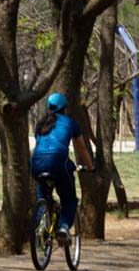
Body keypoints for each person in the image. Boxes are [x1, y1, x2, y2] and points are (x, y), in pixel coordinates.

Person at [31, 93, 95, 244]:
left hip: (36, 164)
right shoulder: (70, 123)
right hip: (58, 164)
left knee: (42, 197)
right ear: (65, 108)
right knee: (69, 200)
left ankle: (42, 222)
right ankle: (64, 228)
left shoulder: (40, 124)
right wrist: (90, 167)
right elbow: (82, 150)